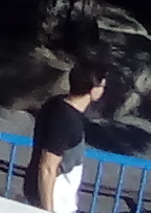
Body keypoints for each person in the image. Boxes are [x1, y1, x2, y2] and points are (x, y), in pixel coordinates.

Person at [28, 61, 105, 212]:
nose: (103, 90)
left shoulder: (55, 103)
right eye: (102, 86)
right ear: (93, 89)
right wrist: (47, 209)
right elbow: (48, 167)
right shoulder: (66, 120)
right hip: (55, 202)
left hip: (54, 197)